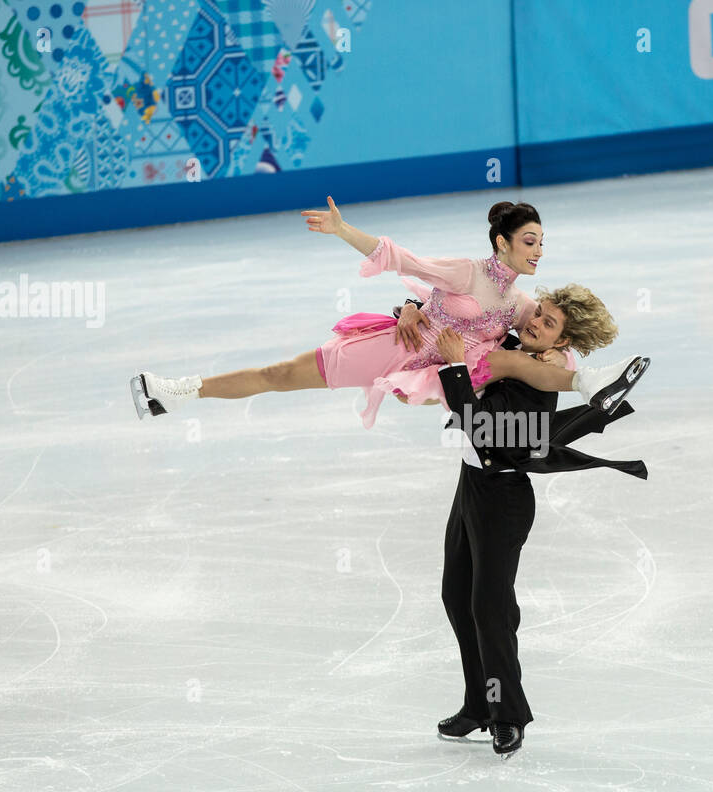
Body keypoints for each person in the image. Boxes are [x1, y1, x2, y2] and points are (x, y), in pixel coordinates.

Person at [130, 199, 647, 427]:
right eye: (529, 241)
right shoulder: (465, 272)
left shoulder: (521, 306)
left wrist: (571, 359)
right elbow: (403, 257)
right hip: (397, 348)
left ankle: (589, 384)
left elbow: (552, 333)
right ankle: (174, 390)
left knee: (521, 365)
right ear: (502, 242)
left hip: (446, 371)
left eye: (542, 243)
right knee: (280, 374)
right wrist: (344, 231)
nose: (538, 251)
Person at [426, 306, 649, 759]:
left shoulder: (539, 380)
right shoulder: (509, 345)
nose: (535, 323)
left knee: (490, 609)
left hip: (502, 499)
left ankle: (507, 715)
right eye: (539, 314)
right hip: (471, 486)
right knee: (456, 596)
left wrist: (452, 368)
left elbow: (482, 427)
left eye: (548, 325)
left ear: (562, 345)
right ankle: (479, 704)